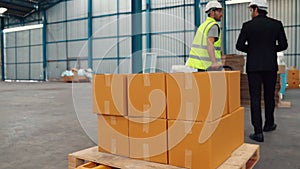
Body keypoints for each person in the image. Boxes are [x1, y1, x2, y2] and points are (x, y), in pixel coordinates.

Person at [236, 0, 288, 142]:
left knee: (255, 98)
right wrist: (271, 49)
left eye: (251, 9)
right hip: (270, 66)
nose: (250, 12)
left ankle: (258, 132)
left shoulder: (248, 26)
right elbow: (284, 45)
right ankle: (269, 124)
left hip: (254, 67)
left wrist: (253, 50)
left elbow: (239, 45)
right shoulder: (276, 24)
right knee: (269, 96)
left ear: (255, 9)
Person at [186, 0, 223, 71]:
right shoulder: (213, 26)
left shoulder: (203, 25)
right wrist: (214, 62)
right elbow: (210, 43)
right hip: (207, 66)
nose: (221, 14)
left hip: (197, 65)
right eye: (219, 11)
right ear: (212, 12)